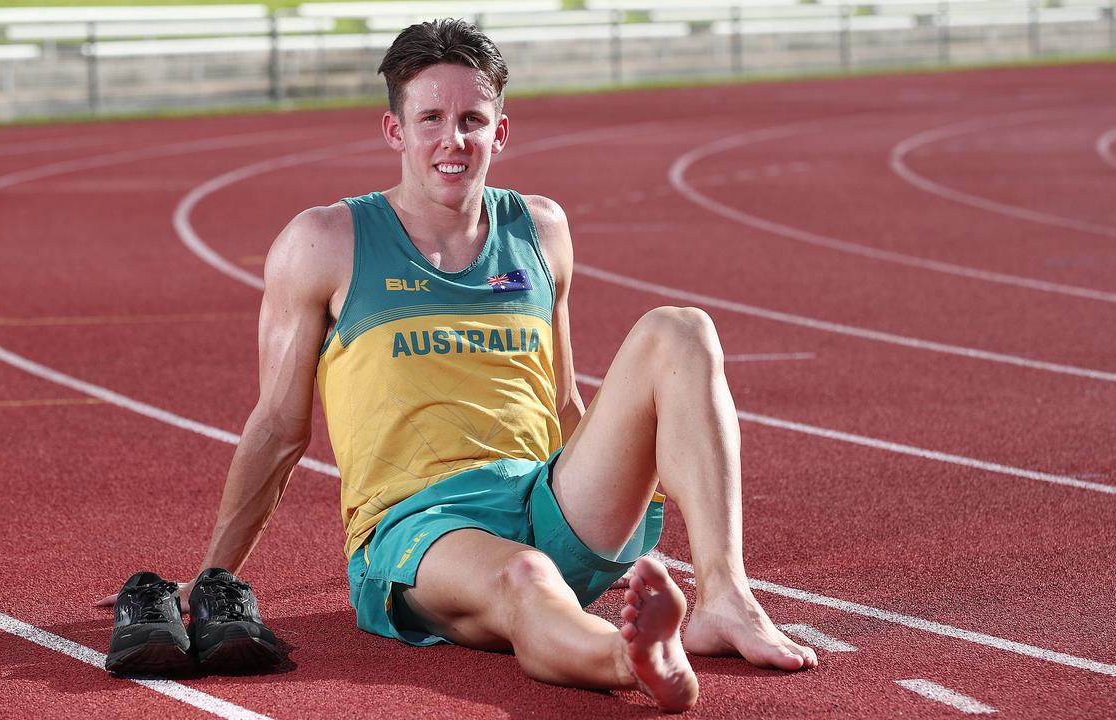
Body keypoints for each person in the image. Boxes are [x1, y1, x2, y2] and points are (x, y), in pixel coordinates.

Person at [107, 18, 816, 711]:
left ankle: (725, 597)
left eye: (473, 120)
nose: (454, 140)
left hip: (546, 498)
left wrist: (609, 497)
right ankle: (629, 659)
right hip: (422, 529)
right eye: (431, 119)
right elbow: (277, 430)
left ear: (500, 131)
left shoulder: (541, 230)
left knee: (680, 329)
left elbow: (564, 400)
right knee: (524, 577)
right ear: (395, 131)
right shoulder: (326, 242)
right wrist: (212, 579)